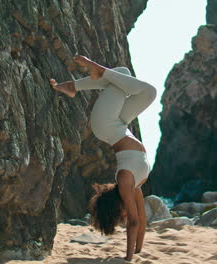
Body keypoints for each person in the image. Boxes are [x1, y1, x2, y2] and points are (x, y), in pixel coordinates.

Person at [50, 55, 157, 261]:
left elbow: (133, 222)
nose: (125, 216)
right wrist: (137, 251)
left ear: (117, 206)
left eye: (121, 215)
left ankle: (93, 70)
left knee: (144, 89)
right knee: (123, 75)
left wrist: (127, 259)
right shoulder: (134, 185)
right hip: (119, 124)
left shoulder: (125, 181)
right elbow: (141, 219)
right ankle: (74, 86)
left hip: (106, 125)